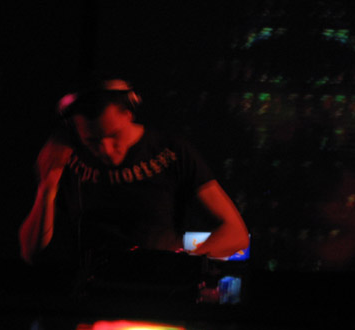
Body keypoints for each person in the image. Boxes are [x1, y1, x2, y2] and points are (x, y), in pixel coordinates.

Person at [18, 79, 249, 274]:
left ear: (128, 113)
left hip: (158, 297)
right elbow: (31, 253)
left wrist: (178, 266)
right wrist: (46, 188)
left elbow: (236, 234)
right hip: (94, 298)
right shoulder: (68, 158)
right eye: (92, 141)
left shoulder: (172, 152)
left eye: (114, 135)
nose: (106, 150)